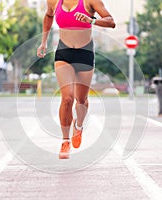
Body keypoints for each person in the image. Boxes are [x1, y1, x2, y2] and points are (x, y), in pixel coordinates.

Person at [37, 0, 115, 159]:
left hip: (85, 54)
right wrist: (43, 42)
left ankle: (78, 126)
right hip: (63, 53)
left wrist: (91, 20)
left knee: (81, 100)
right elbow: (48, 15)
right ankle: (65, 141)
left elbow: (111, 22)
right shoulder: (53, 1)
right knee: (67, 98)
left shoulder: (90, 1)